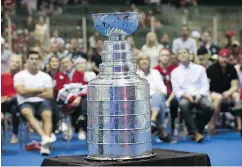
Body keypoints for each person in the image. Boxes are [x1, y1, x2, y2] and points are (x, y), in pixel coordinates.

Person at [14, 50, 54, 155]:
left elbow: (50, 94)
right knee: (27, 112)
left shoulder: (46, 76)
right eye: (31, 59)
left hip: (41, 102)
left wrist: (30, 92)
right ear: (26, 61)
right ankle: (45, 138)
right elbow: (21, 92)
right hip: (25, 103)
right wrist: (40, 90)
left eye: (36, 59)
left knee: (47, 114)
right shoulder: (19, 76)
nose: (34, 61)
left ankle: (45, 147)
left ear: (39, 61)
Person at [171, 48, 214, 142]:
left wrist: (199, 95)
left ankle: (198, 129)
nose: (182, 55)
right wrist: (186, 96)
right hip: (185, 96)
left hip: (199, 95)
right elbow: (176, 89)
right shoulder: (174, 72)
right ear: (178, 57)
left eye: (184, 52)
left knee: (210, 107)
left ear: (190, 55)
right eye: (180, 53)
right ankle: (195, 133)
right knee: (183, 104)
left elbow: (205, 85)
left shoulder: (200, 69)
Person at [137, 53, 175, 143]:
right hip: (141, 101)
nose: (144, 61)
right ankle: (162, 131)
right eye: (141, 59)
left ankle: (153, 120)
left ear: (149, 62)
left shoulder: (155, 72)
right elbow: (136, 92)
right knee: (158, 100)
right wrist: (152, 93)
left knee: (157, 97)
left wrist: (153, 94)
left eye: (146, 59)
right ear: (138, 62)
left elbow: (163, 89)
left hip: (155, 99)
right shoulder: (135, 74)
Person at [207, 49, 240, 134]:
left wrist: (228, 92)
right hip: (213, 93)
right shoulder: (211, 69)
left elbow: (235, 85)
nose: (224, 59)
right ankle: (212, 126)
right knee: (217, 98)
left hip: (228, 93)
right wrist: (211, 94)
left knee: (237, 97)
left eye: (226, 57)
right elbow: (206, 85)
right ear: (218, 57)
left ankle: (240, 127)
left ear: (229, 58)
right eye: (222, 57)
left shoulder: (232, 68)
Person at [54, 56, 88, 140]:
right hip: (67, 103)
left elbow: (86, 86)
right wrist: (73, 99)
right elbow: (60, 91)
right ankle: (80, 126)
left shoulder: (80, 74)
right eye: (63, 63)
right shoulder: (58, 76)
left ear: (72, 64)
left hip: (80, 100)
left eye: (67, 62)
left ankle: (82, 122)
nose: (65, 64)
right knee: (82, 103)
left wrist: (79, 97)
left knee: (86, 101)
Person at [154, 49, 178, 133]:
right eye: (163, 55)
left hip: (172, 96)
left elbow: (176, 88)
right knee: (157, 102)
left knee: (174, 102)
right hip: (159, 95)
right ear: (159, 58)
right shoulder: (155, 70)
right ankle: (159, 129)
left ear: (170, 58)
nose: (165, 57)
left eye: (167, 55)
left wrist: (168, 100)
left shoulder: (174, 70)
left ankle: (173, 127)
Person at [1, 55, 22, 144]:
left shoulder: (22, 76)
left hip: (18, 104)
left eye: (17, 62)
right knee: (14, 102)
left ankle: (14, 135)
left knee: (14, 105)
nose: (15, 64)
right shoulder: (2, 76)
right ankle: (14, 134)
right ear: (9, 63)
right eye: (13, 61)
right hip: (3, 103)